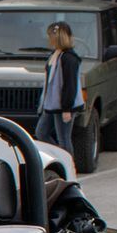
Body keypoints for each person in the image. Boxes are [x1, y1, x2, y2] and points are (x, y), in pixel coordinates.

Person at [36, 21, 82, 152]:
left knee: (64, 139)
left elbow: (70, 85)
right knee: (41, 132)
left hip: (63, 104)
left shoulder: (69, 58)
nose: (48, 39)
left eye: (50, 36)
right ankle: (59, 156)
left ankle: (67, 162)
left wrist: (66, 108)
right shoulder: (55, 54)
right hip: (51, 103)